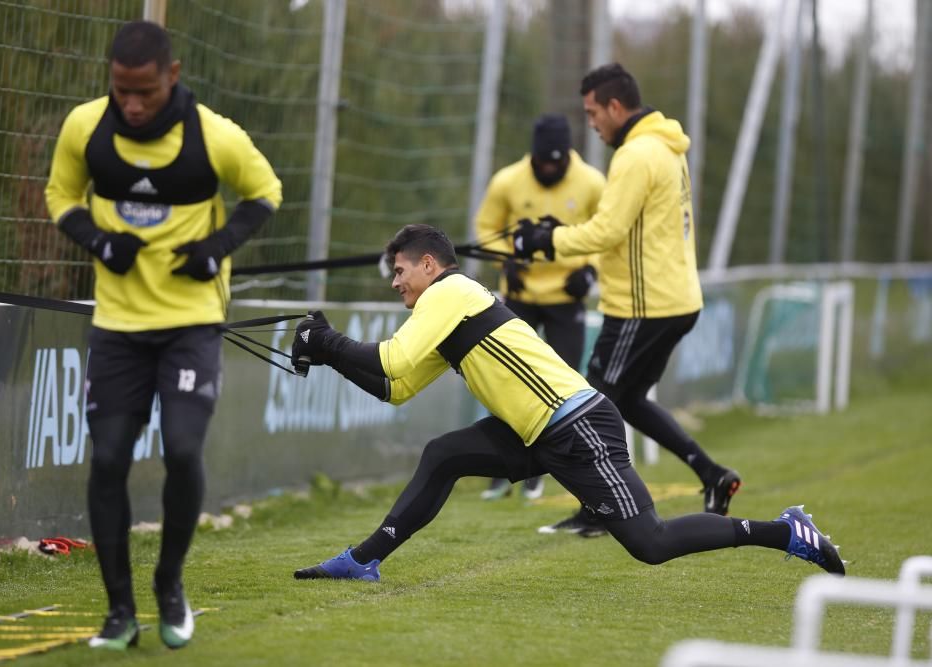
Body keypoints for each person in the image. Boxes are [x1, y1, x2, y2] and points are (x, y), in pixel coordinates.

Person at [288, 224, 844, 582]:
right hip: (539, 431)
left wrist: (326, 342)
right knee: (443, 455)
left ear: (429, 265)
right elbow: (396, 387)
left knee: (651, 543)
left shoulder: (449, 293)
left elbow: (391, 360)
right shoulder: (446, 306)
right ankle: (364, 560)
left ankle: (784, 532)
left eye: (401, 271)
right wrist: (331, 352)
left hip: (577, 426)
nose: (396, 284)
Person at [44, 21, 282, 650]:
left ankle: (170, 585)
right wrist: (97, 241)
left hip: (190, 325)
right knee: (110, 461)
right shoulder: (85, 128)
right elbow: (61, 195)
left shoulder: (214, 136)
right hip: (118, 328)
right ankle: (119, 610)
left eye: (145, 91)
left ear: (171, 76)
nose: (133, 103)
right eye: (122, 90)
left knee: (181, 450)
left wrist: (215, 248)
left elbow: (265, 193)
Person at [513, 63, 740, 536]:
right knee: (630, 400)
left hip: (642, 307)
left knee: (587, 403)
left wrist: (546, 243)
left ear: (616, 107)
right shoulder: (665, 146)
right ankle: (712, 475)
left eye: (594, 113)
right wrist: (557, 233)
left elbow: (609, 230)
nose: (591, 124)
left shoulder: (635, 156)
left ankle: (602, 509)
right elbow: (625, 228)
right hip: (675, 301)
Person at [473, 113, 605, 506]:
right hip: (520, 296)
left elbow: (608, 231)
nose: (548, 168)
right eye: (541, 162)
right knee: (506, 383)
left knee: (563, 386)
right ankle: (500, 469)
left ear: (567, 155)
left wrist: (589, 269)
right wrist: (505, 261)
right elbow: (486, 229)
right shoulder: (507, 181)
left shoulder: (592, 183)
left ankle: (542, 470)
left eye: (555, 161)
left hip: (566, 298)